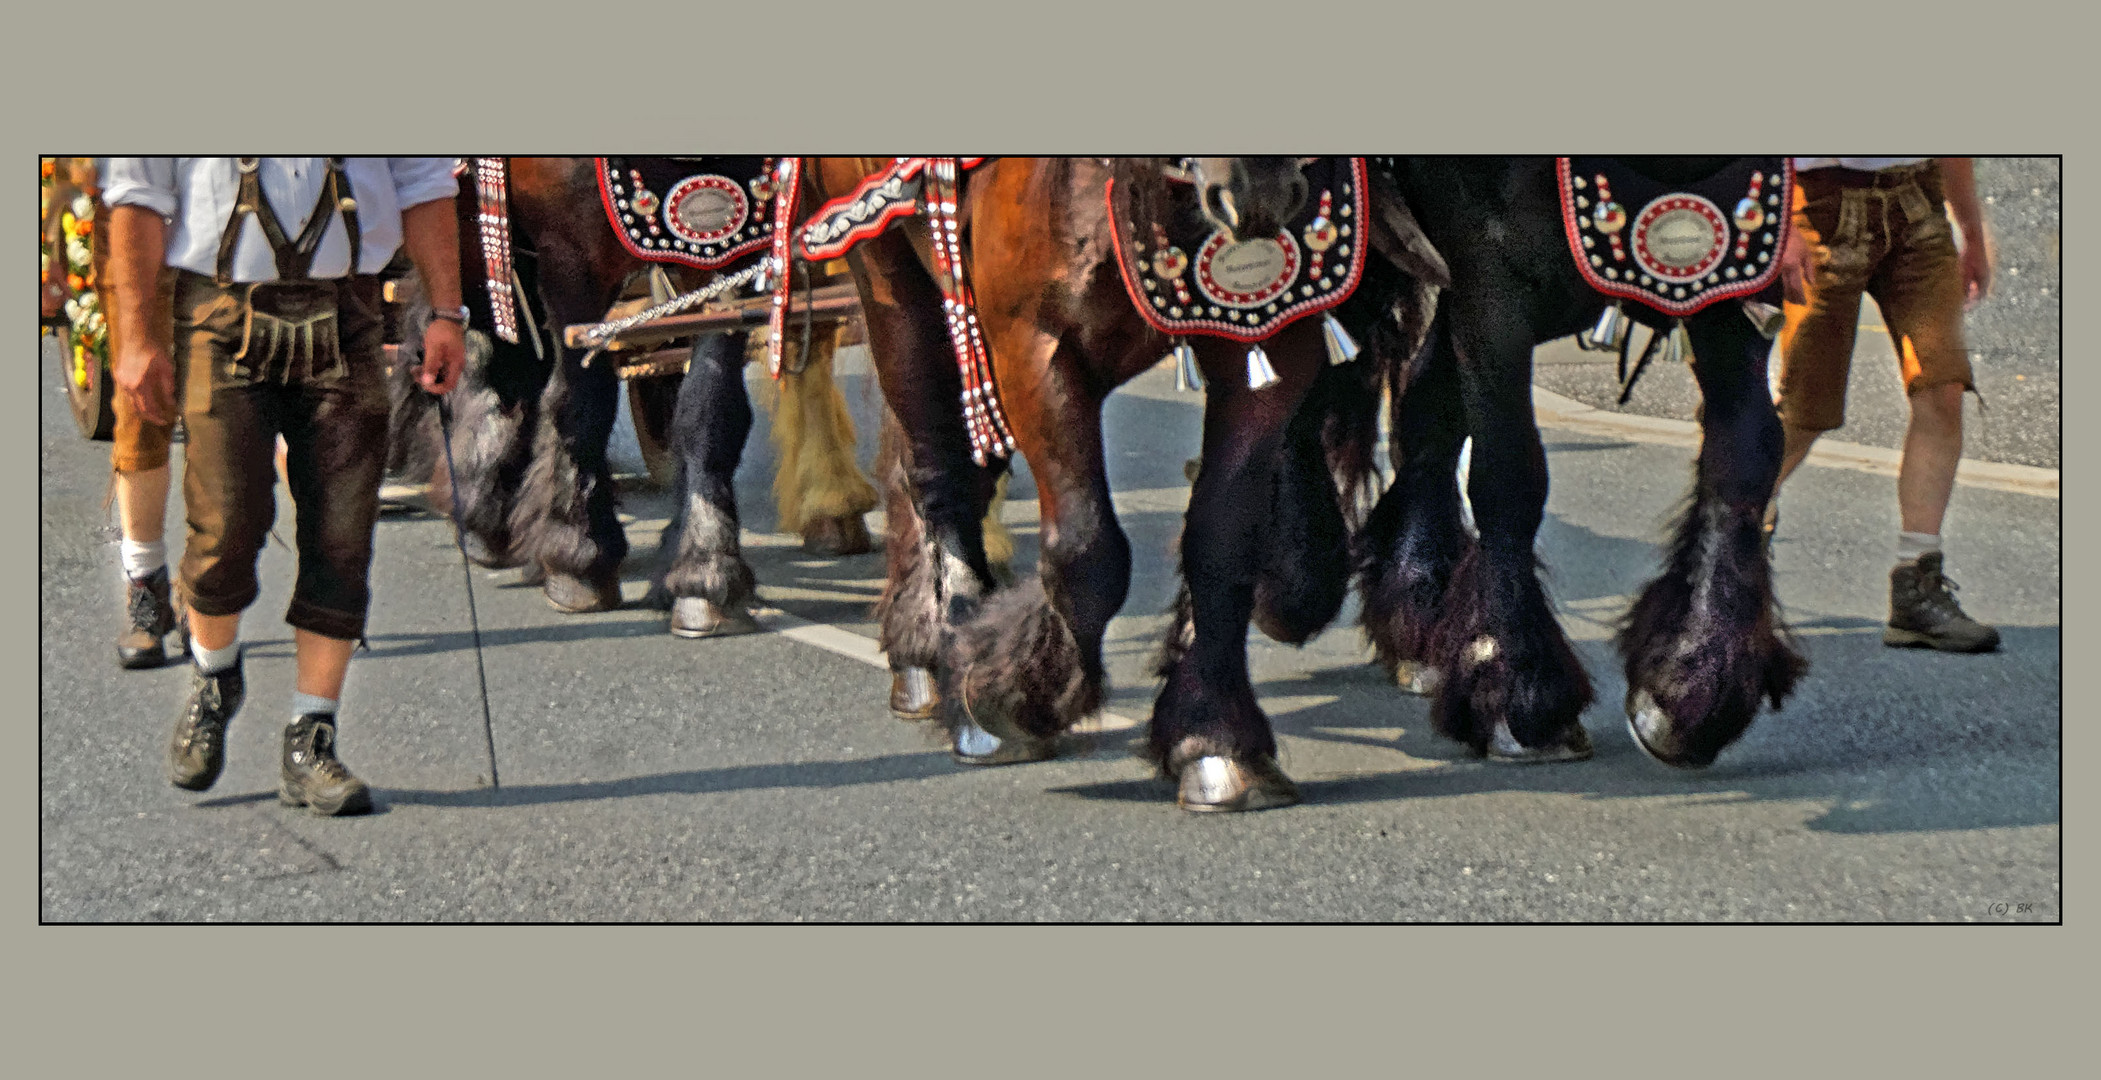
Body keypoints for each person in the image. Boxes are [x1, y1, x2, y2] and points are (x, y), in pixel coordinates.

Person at [103, 158, 467, 815]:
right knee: (225, 528)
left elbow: (426, 184)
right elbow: (135, 199)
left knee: (342, 531)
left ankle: (312, 737)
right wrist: (134, 336)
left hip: (348, 312)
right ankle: (216, 679)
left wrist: (445, 312)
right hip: (218, 312)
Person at [1771, 157, 1999, 653]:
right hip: (1819, 206)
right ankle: (1733, 544)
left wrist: (1971, 232)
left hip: (1918, 201)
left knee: (1943, 387)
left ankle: (1917, 585)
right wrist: (1782, 223)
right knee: (1805, 409)